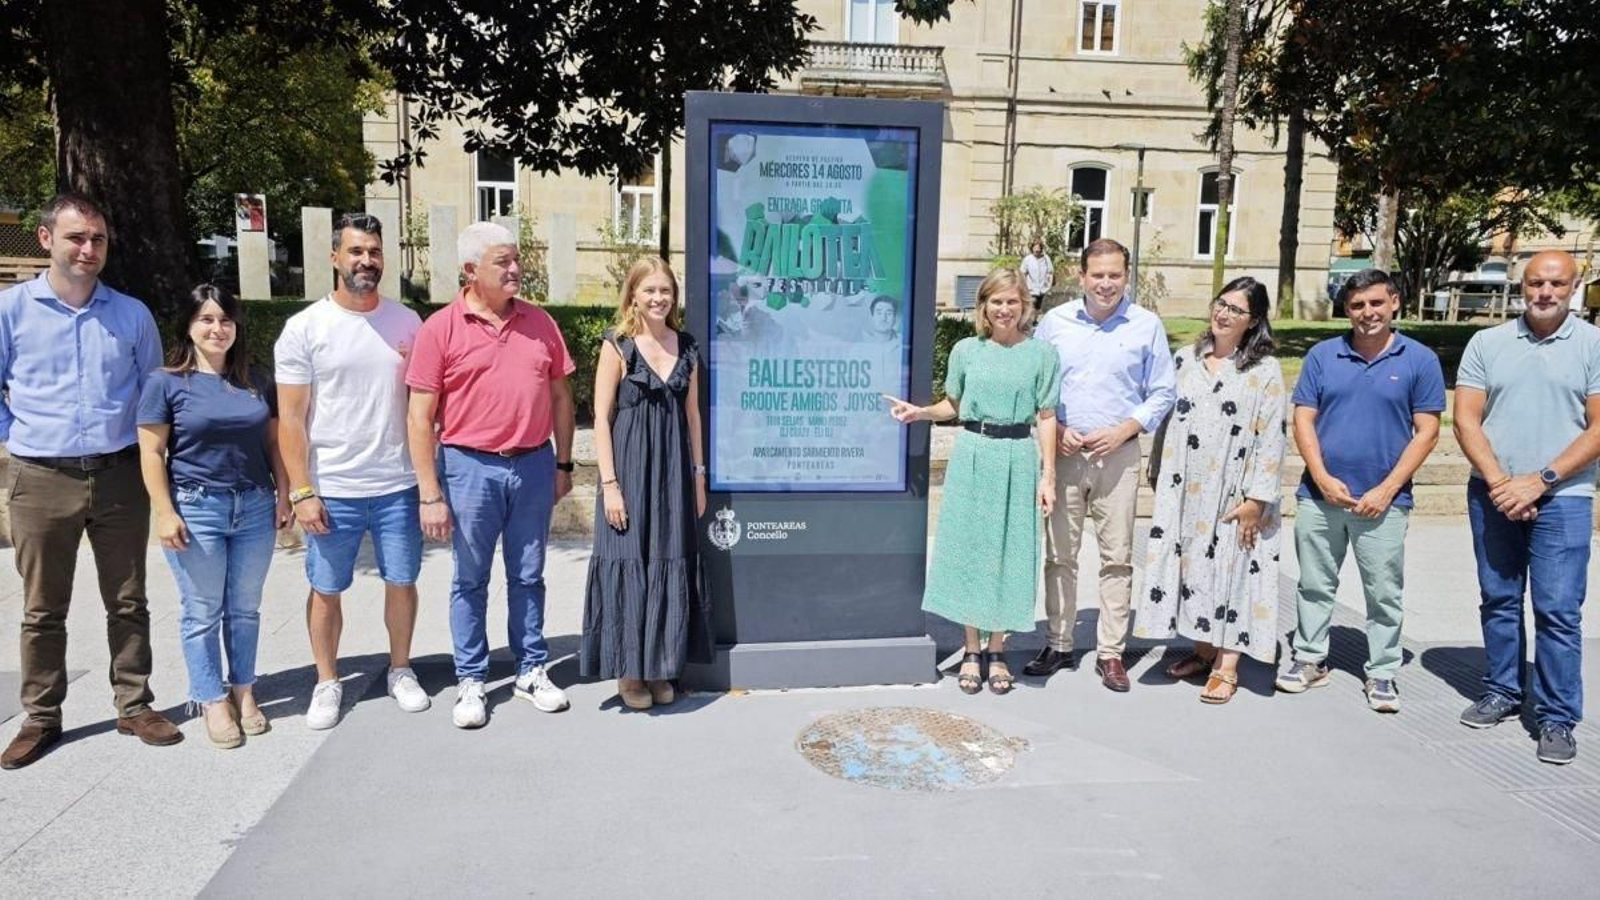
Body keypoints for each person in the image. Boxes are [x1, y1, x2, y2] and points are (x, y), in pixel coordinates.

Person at [0, 193, 180, 769]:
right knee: (42, 607)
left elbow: (152, 397)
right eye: (76, 237)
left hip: (119, 474)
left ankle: (134, 703)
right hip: (40, 476)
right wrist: (17, 434)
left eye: (97, 239)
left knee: (128, 599)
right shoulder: (11, 310)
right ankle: (41, 716)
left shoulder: (131, 315)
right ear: (46, 239)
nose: (88, 249)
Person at [407, 222, 576, 728]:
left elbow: (561, 398)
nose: (515, 268)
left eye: (516, 258)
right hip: (469, 467)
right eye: (502, 261)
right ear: (470, 270)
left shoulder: (540, 323)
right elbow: (420, 417)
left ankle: (530, 669)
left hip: (533, 463)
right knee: (471, 577)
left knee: (528, 574)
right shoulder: (440, 329)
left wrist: (563, 463)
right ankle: (471, 678)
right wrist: (429, 492)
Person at [275, 212, 431, 730]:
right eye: (356, 251)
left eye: (375, 252)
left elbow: (424, 405)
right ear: (335, 257)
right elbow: (291, 419)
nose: (367, 260)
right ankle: (326, 680)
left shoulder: (408, 323)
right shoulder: (305, 328)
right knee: (326, 588)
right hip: (332, 487)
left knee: (402, 581)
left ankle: (401, 668)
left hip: (397, 484)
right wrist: (301, 491)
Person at [1453, 250, 1600, 765]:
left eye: (1556, 284)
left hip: (1564, 497)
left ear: (1574, 287)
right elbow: (1466, 419)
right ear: (1522, 287)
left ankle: (1557, 716)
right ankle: (1502, 690)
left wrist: (1539, 482)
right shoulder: (1487, 343)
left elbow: (1598, 428)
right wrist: (1501, 484)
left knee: (1557, 610)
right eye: (1536, 283)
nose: (1545, 292)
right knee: (1499, 598)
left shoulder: (1593, 345)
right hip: (1493, 493)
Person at [1276, 270, 1446, 712]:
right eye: (1357, 305)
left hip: (1384, 501)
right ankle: (1309, 658)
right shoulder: (1323, 355)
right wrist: (1321, 477)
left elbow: (1427, 432)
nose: (1367, 313)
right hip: (1320, 496)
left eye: (1375, 303)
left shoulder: (1420, 359)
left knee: (1383, 590)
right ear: (1347, 310)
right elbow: (1303, 419)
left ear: (1394, 303)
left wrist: (1387, 489)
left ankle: (1383, 671)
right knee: (1314, 584)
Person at [886, 269, 1059, 695]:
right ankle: (971, 648)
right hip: (973, 454)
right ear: (983, 306)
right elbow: (954, 404)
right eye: (996, 301)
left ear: (1024, 305)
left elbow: (1046, 416)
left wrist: (1048, 476)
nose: (1004, 309)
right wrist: (920, 413)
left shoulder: (1042, 355)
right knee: (971, 550)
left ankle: (997, 648)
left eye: (1012, 301)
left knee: (1009, 551)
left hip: (1017, 457)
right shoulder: (966, 350)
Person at [137, 285, 290, 748]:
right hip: (196, 508)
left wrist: (285, 494)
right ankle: (210, 697)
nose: (217, 328)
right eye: (206, 319)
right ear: (188, 326)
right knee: (202, 610)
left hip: (255, 505)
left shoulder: (257, 380)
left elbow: (273, 443)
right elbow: (152, 452)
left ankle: (244, 689)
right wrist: (164, 512)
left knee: (245, 608)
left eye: (225, 320)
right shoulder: (165, 383)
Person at [1027, 238, 1176, 691]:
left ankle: (1111, 652)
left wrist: (1125, 429)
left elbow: (1163, 391)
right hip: (1065, 455)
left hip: (1118, 456)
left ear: (1126, 276)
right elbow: (1035, 385)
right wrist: (1057, 428)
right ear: (1082, 277)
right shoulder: (1055, 323)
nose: (1106, 284)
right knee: (1059, 555)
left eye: (1114, 275)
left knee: (1118, 558)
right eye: (1098, 275)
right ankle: (1059, 643)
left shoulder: (1146, 325)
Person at [1133, 278, 1286, 704]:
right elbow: (1168, 419)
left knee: (1234, 568)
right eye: (1222, 303)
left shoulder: (1264, 370)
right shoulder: (1186, 359)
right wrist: (1158, 470)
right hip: (1186, 487)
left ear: (1253, 320)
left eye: (1236, 309)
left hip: (1236, 490)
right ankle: (1203, 650)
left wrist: (1257, 500)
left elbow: (1273, 437)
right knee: (1194, 567)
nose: (1224, 313)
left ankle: (1227, 665)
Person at [580, 257, 713, 710]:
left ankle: (659, 667)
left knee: (667, 560)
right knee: (630, 562)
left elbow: (693, 417)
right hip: (629, 473)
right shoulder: (617, 346)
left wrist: (698, 477)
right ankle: (630, 672)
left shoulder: (687, 347)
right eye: (650, 290)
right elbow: (601, 419)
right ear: (633, 295)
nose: (659, 298)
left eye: (665, 290)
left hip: (673, 474)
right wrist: (610, 485)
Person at [1021, 240, 1054, 311]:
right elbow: (1023, 273)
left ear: (1041, 249)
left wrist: (1049, 286)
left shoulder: (1046, 259)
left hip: (1043, 289)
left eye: (1038, 248)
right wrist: (1024, 286)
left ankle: (1036, 317)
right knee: (1032, 306)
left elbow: (1050, 272)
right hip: (1031, 289)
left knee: (1039, 308)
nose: (1037, 250)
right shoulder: (1028, 259)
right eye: (1035, 248)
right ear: (1032, 248)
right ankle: (1031, 317)